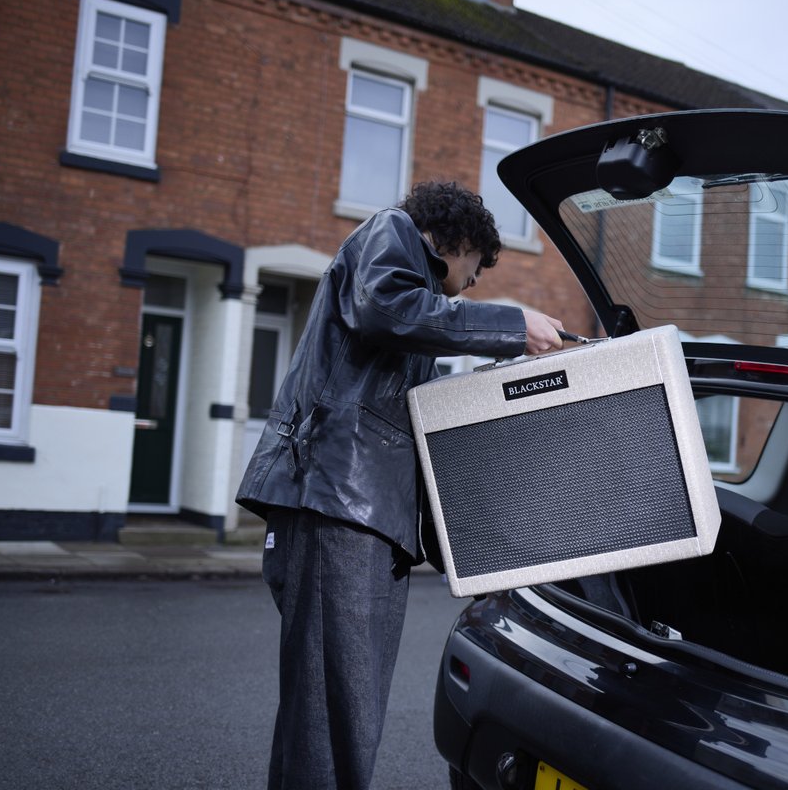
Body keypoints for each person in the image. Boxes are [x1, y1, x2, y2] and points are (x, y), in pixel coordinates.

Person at [236, 181, 563, 790]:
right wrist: (512, 324)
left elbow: (415, 428)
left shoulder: (412, 320)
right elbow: (386, 307)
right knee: (337, 712)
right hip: (339, 505)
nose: (471, 285)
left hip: (354, 512)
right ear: (458, 241)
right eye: (474, 270)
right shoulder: (392, 234)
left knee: (328, 710)